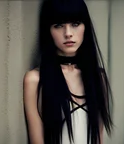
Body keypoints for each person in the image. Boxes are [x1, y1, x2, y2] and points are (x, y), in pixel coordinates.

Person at [23, 0, 113, 144]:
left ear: (85, 27)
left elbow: (98, 138)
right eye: (58, 25)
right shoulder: (35, 80)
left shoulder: (97, 77)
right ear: (48, 30)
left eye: (75, 24)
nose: (68, 33)